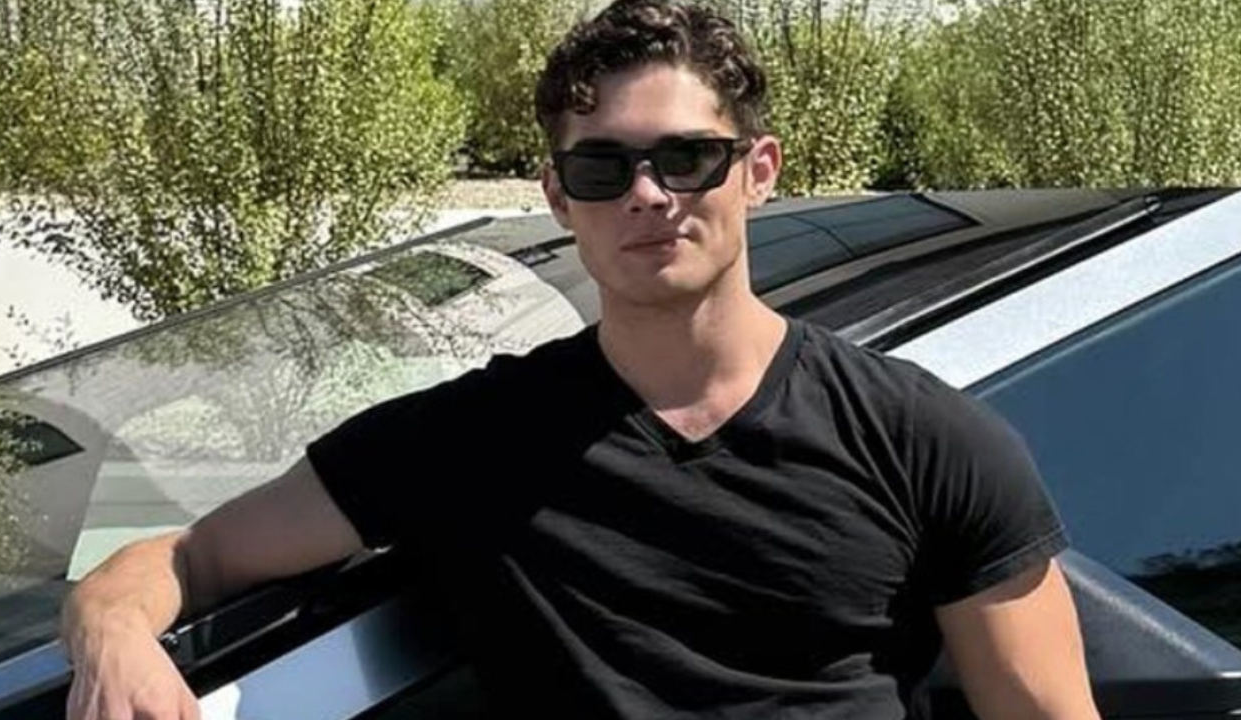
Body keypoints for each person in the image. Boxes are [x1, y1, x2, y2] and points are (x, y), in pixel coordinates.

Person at [60, 1, 1101, 718]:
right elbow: (191, 559)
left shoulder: (922, 438)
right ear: (560, 198)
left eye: (686, 157)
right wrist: (111, 634)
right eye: (603, 167)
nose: (647, 195)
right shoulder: (468, 441)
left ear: (757, 171)